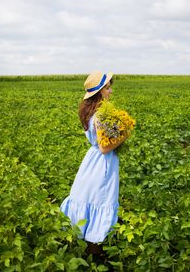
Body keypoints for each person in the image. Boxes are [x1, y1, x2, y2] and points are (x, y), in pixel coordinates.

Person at [60, 71, 130, 252]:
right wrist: (125, 133)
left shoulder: (91, 112)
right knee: (100, 200)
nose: (111, 91)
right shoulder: (100, 115)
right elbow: (105, 147)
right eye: (107, 88)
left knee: (88, 199)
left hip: (91, 161)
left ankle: (84, 246)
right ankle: (95, 250)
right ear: (99, 91)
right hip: (102, 164)